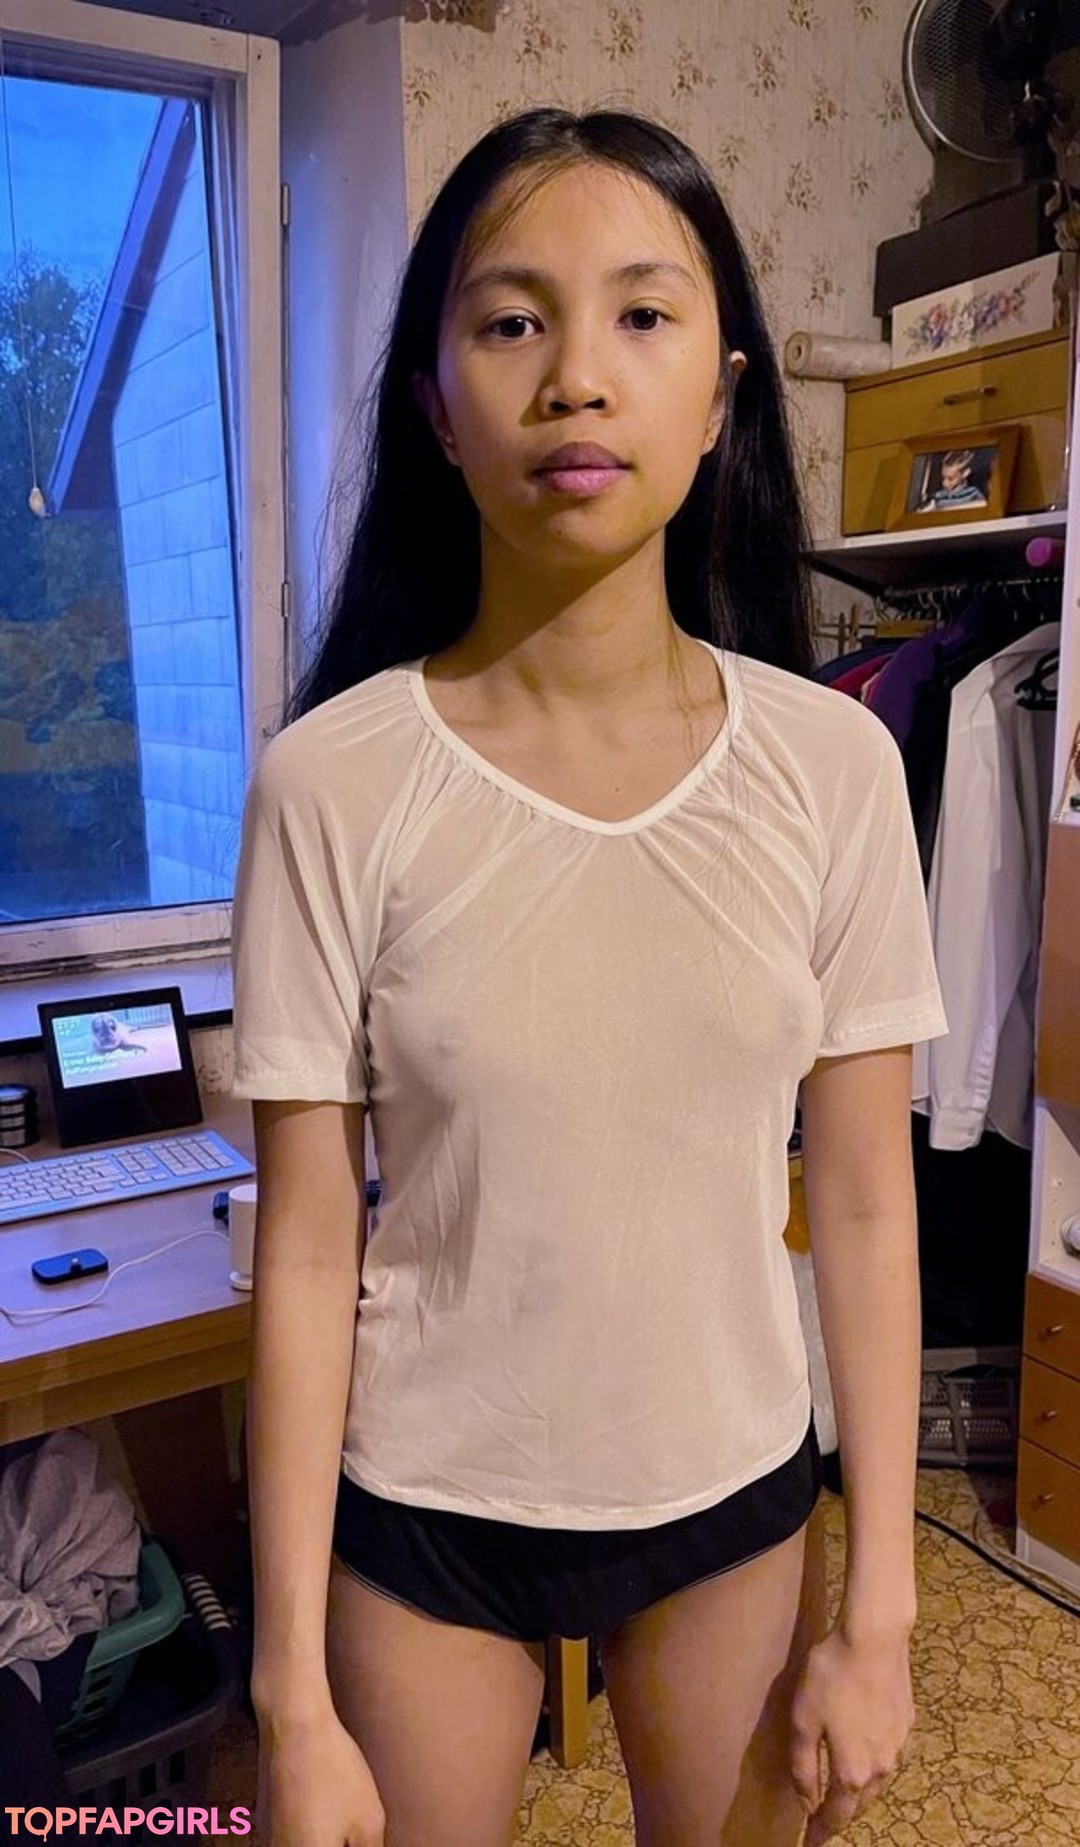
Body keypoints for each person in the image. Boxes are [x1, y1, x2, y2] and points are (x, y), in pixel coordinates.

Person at [231, 107, 948, 1847]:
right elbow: (308, 1246)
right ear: (435, 402)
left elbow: (865, 1204)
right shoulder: (330, 781)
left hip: (731, 1485)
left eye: (642, 312)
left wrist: (881, 1609)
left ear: (722, 394)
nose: (576, 377)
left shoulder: (834, 766)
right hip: (425, 1505)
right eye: (511, 320)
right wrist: (290, 1697)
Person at [916, 448, 989, 513]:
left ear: (965, 473)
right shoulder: (938, 496)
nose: (944, 483)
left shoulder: (973, 494)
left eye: (950, 479)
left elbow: (982, 506)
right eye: (943, 478)